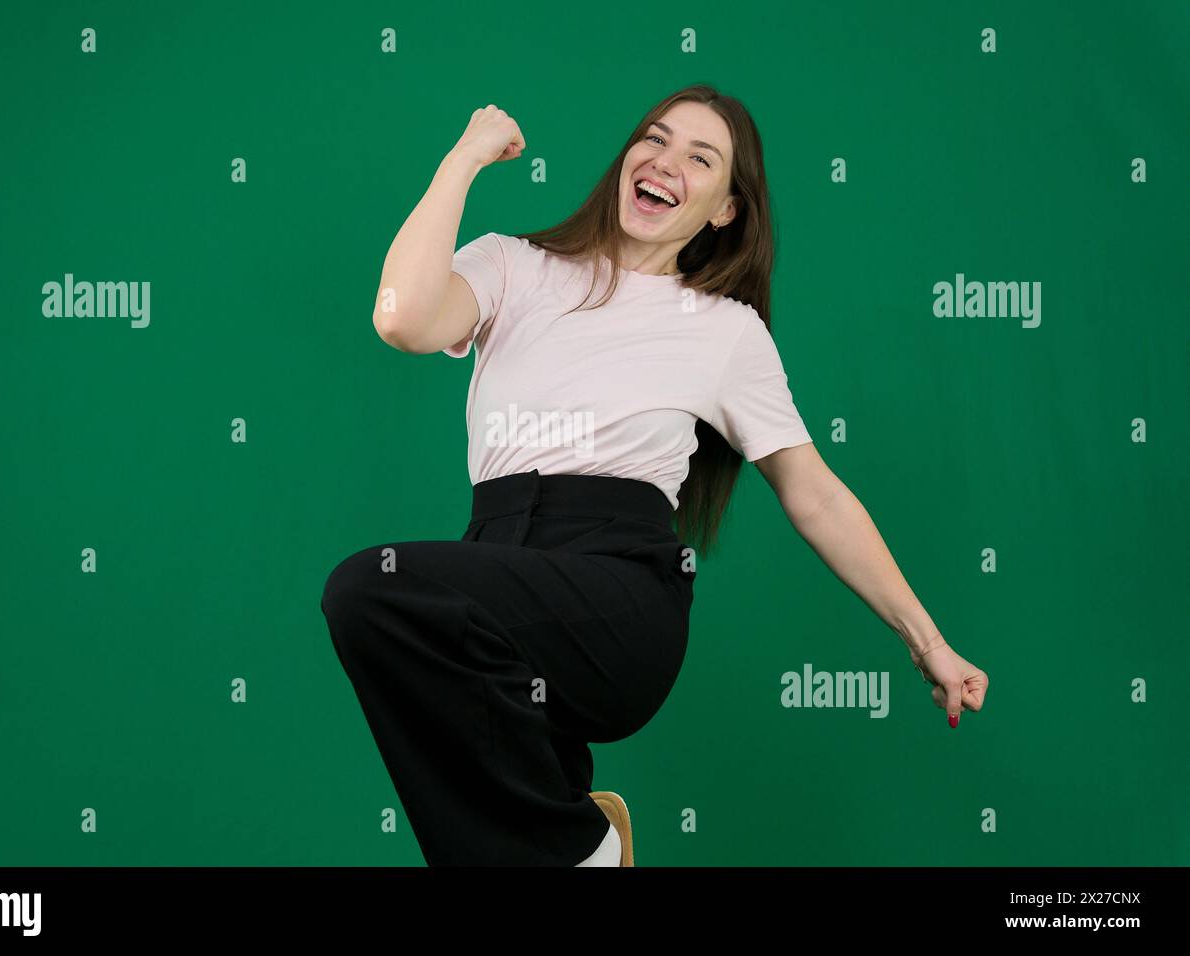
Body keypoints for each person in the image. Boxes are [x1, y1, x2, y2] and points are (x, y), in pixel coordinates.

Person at [321, 84, 990, 867]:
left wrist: (927, 640)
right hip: (506, 576)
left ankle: (582, 845)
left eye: (700, 159)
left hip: (617, 594)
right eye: (656, 139)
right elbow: (401, 317)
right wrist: (463, 160)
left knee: (371, 587)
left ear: (724, 211)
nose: (665, 162)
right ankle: (575, 842)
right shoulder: (512, 265)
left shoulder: (725, 331)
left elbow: (814, 494)